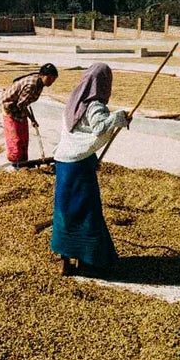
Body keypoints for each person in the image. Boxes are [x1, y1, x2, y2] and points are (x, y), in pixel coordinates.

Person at [50, 63, 130, 275]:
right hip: (78, 167)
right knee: (86, 210)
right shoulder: (94, 105)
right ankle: (88, 261)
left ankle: (65, 257)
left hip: (64, 162)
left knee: (66, 209)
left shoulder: (74, 100)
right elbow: (99, 127)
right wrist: (120, 116)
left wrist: (91, 158)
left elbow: (78, 134)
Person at [0, 63, 58, 165]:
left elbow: (25, 102)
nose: (51, 81)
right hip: (10, 107)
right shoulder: (32, 85)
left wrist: (32, 119)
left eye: (53, 79)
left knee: (23, 136)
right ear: (41, 75)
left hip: (19, 108)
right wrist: (31, 119)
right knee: (16, 138)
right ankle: (16, 162)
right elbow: (21, 104)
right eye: (49, 78)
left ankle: (23, 161)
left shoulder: (40, 83)